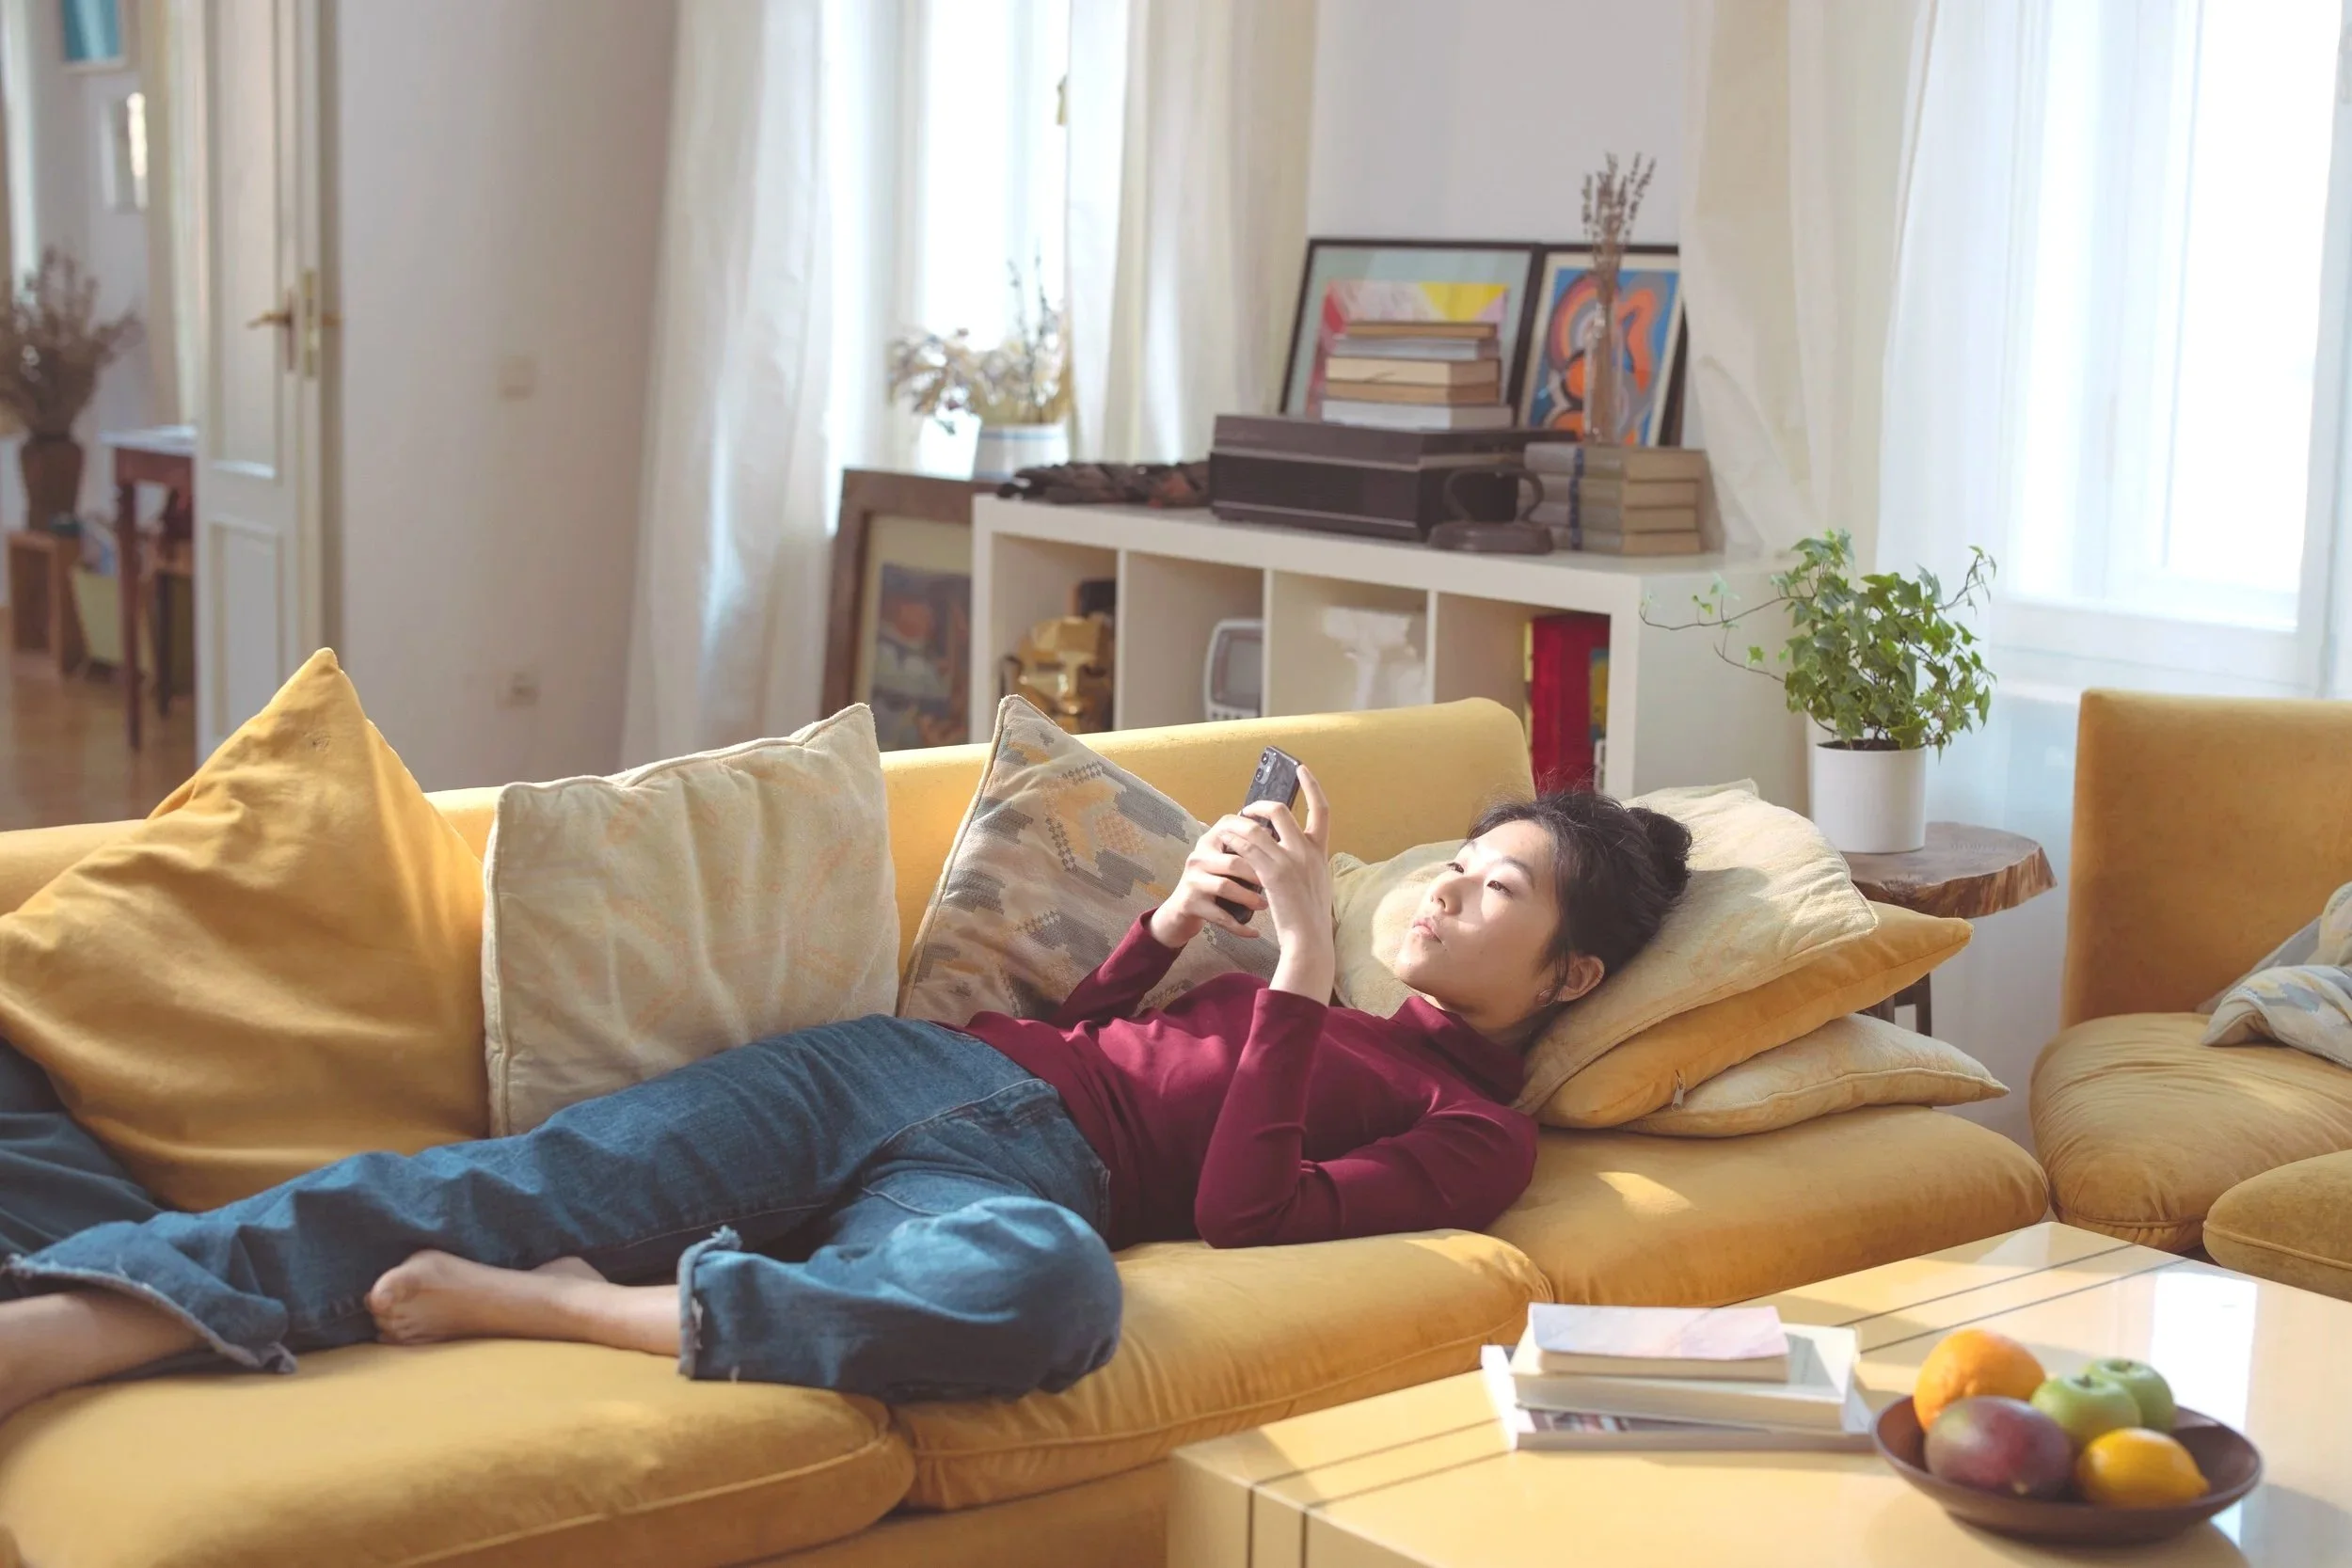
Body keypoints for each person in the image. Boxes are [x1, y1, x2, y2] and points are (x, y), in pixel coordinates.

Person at [0, 767, 1690, 1422]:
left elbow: (1244, 1212)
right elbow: (1088, 1037)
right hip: (901, 1069)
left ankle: (579, 1313)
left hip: (1010, 1183)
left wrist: (1304, 973)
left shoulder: (1478, 1128)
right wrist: (1175, 928)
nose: (1452, 890)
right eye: (1457, 862)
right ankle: (71, 1326)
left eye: (1501, 891)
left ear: (1570, 979)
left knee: (1047, 1294)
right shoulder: (1295, 990)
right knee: (505, 1176)